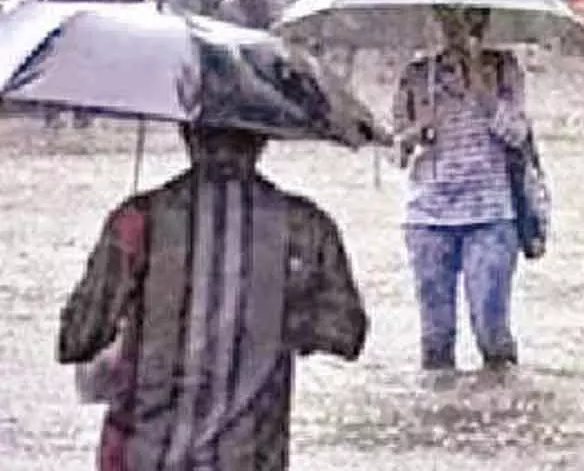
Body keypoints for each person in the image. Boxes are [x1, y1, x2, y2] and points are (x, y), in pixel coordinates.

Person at [56, 126, 368, 470]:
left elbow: (76, 340)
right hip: (250, 458)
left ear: (187, 133)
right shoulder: (305, 227)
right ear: (263, 136)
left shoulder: (137, 221)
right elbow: (347, 334)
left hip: (142, 456)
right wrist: (275, 313)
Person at [391, 7, 531, 371]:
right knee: (435, 338)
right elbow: (395, 152)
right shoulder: (417, 75)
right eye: (452, 23)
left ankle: (501, 408)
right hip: (428, 217)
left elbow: (516, 134)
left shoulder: (503, 69)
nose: (461, 32)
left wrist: (480, 87)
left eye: (471, 22)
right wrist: (415, 132)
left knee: (491, 331)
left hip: (490, 215)